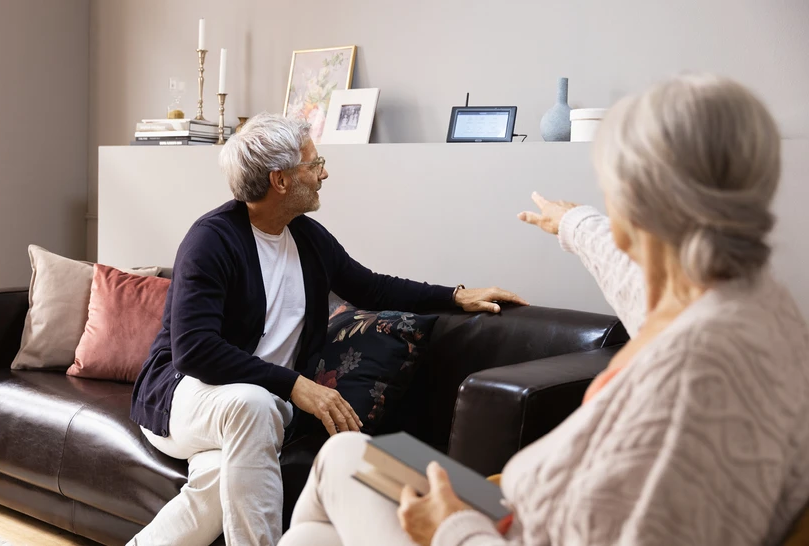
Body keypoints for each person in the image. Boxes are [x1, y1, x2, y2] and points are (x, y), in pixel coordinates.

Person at [280, 73, 809, 546]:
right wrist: (576, 226)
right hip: (507, 511)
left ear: (645, 201)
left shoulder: (694, 376)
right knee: (324, 507)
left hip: (496, 531)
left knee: (340, 467)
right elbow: (640, 283)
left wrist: (449, 528)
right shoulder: (742, 299)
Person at [127, 112, 527, 546]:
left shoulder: (307, 238)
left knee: (212, 492)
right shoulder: (212, 241)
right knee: (253, 404)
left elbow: (372, 288)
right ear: (280, 180)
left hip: (256, 409)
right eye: (314, 165)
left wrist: (455, 296)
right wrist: (295, 385)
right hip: (186, 396)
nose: (324, 174)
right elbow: (194, 351)